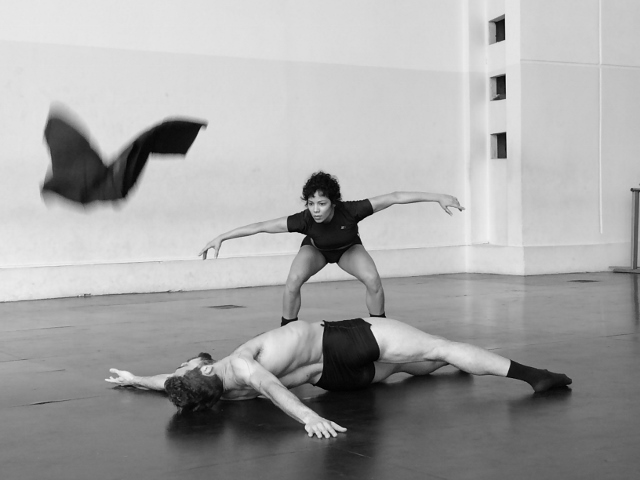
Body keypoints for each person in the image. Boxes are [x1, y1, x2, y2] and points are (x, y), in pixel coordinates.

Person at [106, 317, 572, 439]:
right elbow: (275, 391)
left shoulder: (220, 393)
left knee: (409, 367)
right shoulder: (242, 366)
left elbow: (174, 382)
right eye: (187, 363)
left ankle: (450, 370)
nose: (184, 361)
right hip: (344, 343)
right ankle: (537, 376)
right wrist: (308, 419)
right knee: (439, 346)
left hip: (337, 379)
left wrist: (135, 378)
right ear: (204, 369)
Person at [199, 172, 464, 325]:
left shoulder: (352, 210)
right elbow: (261, 226)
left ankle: (380, 328)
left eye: (322, 203)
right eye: (311, 203)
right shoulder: (303, 220)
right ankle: (287, 330)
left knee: (373, 280)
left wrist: (437, 197)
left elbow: (394, 198)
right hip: (316, 250)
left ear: (333, 203)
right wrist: (223, 236)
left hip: (348, 249)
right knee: (292, 282)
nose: (315, 210)